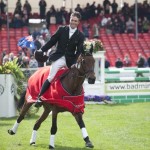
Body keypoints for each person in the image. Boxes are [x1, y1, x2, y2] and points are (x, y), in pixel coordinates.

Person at [34, 11, 85, 107]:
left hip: (71, 60)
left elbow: (79, 52)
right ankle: (39, 98)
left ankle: (77, 99)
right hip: (59, 57)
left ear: (78, 22)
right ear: (69, 19)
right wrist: (42, 50)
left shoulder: (81, 36)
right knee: (51, 77)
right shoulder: (61, 29)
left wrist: (74, 62)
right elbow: (52, 41)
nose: (73, 22)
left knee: (78, 76)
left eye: (75, 21)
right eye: (72, 20)